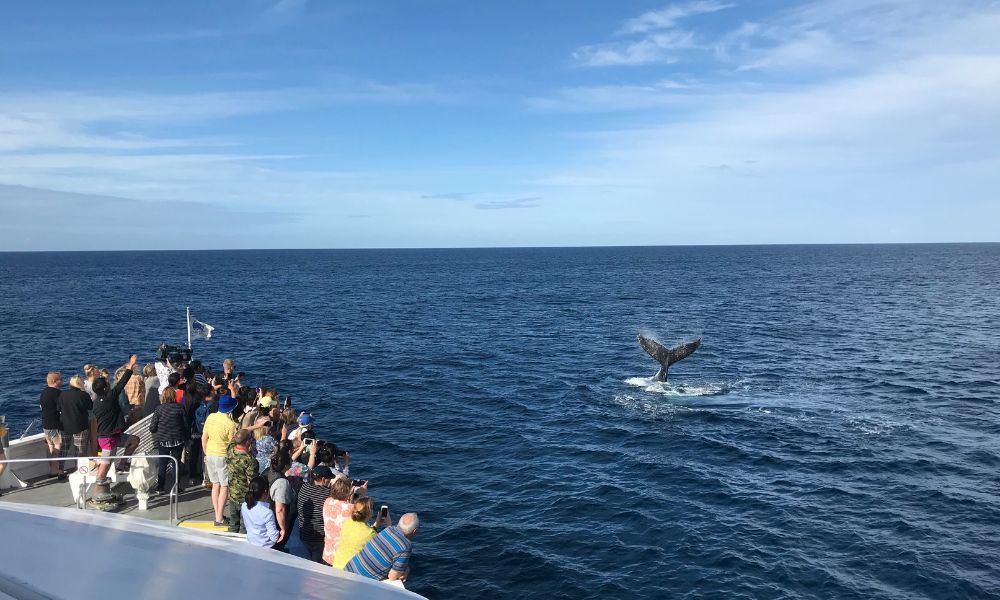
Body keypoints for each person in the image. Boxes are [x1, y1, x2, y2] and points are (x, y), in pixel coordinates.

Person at [92, 355, 140, 489]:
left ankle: (122, 464)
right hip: (108, 439)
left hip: (113, 436)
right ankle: (98, 491)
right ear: (106, 388)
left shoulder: (96, 403)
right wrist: (131, 365)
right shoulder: (109, 398)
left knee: (134, 440)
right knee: (104, 467)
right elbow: (122, 382)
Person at [345, 512, 419, 582]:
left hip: (346, 571)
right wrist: (406, 570)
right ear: (414, 531)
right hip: (357, 582)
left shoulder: (388, 529)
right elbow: (392, 577)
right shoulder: (405, 547)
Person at [202, 393, 238, 526]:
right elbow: (232, 445)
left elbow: (204, 438)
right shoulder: (230, 424)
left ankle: (218, 514)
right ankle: (219, 518)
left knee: (215, 485)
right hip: (222, 456)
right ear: (230, 409)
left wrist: (206, 453)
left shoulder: (210, 417)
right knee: (224, 486)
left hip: (210, 454)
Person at [296, 444, 332, 563]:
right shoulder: (327, 493)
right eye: (328, 479)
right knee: (316, 564)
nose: (330, 481)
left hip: (303, 533)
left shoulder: (304, 486)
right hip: (318, 537)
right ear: (322, 479)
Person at [149, 385, 188, 494]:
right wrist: (186, 436)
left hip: (163, 440)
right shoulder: (180, 408)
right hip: (177, 440)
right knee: (176, 463)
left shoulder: (159, 409)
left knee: (163, 463)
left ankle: (160, 487)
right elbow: (185, 424)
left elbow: (152, 427)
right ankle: (176, 486)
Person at [332, 497, 391, 569]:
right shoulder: (370, 533)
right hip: (351, 570)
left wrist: (376, 524)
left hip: (336, 566)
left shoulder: (347, 522)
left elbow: (361, 533)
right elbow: (386, 547)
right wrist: (389, 525)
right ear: (369, 513)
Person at [226, 428, 259, 533]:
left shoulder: (230, 449)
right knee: (244, 527)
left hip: (232, 495)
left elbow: (235, 437)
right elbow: (252, 481)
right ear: (248, 442)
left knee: (233, 525)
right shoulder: (250, 460)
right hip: (245, 498)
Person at [264, 448, 294, 551]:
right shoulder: (281, 482)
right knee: (276, 546)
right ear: (286, 466)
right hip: (273, 519)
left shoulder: (268, 471)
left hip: (264, 513)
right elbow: (279, 509)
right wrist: (283, 528)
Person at [322, 477, 355, 565]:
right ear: (349, 491)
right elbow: (360, 514)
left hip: (327, 554)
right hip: (342, 558)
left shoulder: (327, 501)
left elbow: (342, 506)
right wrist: (362, 495)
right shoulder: (351, 508)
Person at [39, 371, 67, 479]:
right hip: (55, 423)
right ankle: (54, 470)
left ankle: (52, 468)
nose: (62, 381)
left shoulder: (44, 392)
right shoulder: (57, 393)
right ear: (55, 381)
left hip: (45, 423)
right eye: (60, 379)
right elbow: (61, 408)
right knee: (57, 446)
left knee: (50, 445)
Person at [58, 376, 93, 459]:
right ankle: (78, 469)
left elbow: (58, 408)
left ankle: (60, 469)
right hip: (80, 425)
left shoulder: (63, 394)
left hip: (64, 425)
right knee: (79, 450)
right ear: (80, 384)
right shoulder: (83, 395)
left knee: (64, 449)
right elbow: (90, 407)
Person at [241, 476, 279, 548]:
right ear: (265, 492)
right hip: (266, 547)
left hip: (250, 543)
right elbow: (273, 537)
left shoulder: (244, 506)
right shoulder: (267, 512)